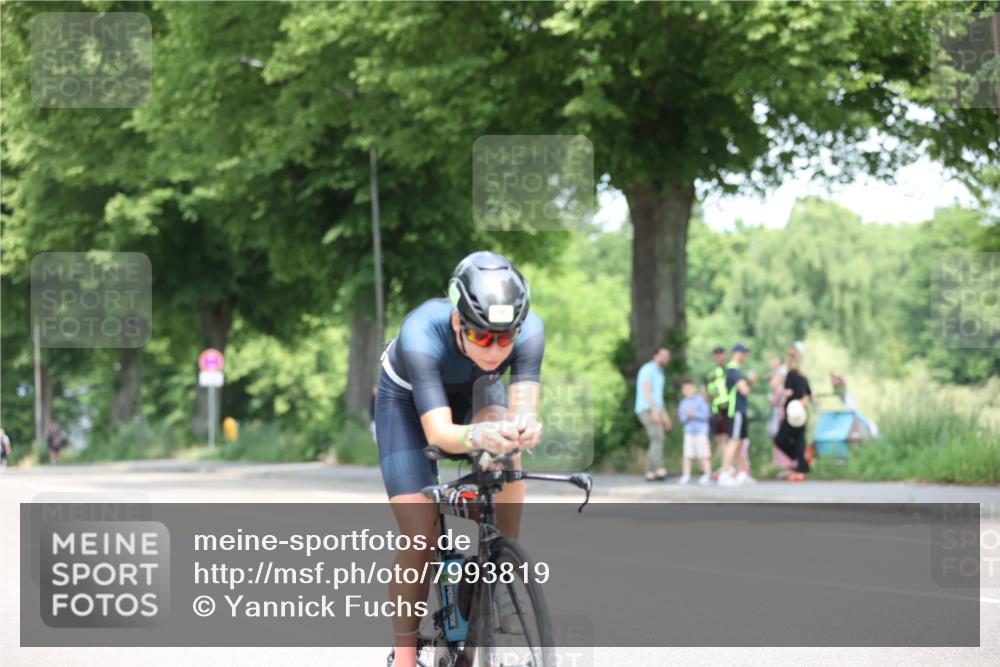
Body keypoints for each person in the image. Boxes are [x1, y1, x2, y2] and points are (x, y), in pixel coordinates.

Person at [374, 251, 544, 667]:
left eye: (506, 338)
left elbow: (522, 414)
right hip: (409, 403)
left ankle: (501, 573)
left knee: (509, 450)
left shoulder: (530, 333)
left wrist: (522, 429)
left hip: (477, 394)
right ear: (457, 322)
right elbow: (440, 434)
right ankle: (407, 652)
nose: (495, 348)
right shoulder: (420, 331)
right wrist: (476, 435)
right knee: (421, 534)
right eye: (483, 336)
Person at [718, 344, 756, 487]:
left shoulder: (736, 370)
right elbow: (744, 390)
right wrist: (750, 381)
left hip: (740, 410)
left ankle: (742, 473)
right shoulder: (733, 369)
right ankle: (725, 473)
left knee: (740, 442)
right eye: (744, 353)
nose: (745, 356)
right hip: (736, 410)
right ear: (738, 353)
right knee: (734, 441)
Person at [774, 352, 812, 482]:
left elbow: (789, 391)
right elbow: (808, 396)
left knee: (780, 439)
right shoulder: (803, 377)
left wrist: (780, 390)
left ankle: (799, 463)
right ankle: (801, 466)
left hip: (793, 413)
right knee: (799, 440)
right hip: (803, 413)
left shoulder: (791, 375)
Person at [635, 347, 671, 481]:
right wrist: (655, 411)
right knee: (657, 437)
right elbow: (647, 391)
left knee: (657, 438)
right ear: (655, 356)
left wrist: (665, 415)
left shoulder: (660, 373)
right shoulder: (648, 369)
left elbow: (659, 397)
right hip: (647, 409)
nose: (666, 358)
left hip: (656, 409)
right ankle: (659, 468)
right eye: (664, 355)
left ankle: (651, 471)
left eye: (668, 356)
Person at [677, 379, 712, 485]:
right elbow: (682, 419)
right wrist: (687, 416)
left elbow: (706, 415)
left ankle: (707, 474)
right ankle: (686, 475)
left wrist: (694, 414)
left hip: (701, 431)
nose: (688, 391)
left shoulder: (701, 400)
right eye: (685, 389)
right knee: (687, 454)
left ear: (694, 388)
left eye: (689, 388)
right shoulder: (683, 403)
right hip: (689, 432)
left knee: (704, 454)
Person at [706, 346, 730, 476]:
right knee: (720, 439)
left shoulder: (729, 371)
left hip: (728, 409)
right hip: (717, 410)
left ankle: (728, 466)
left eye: (721, 354)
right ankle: (724, 465)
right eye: (717, 355)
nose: (720, 357)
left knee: (728, 439)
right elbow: (706, 393)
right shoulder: (711, 373)